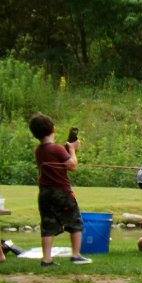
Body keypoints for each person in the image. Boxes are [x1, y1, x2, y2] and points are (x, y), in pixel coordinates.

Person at [29, 113, 92, 266]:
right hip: (61, 192)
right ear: (53, 129)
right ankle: (76, 255)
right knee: (76, 222)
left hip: (45, 193)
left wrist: (66, 148)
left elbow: (56, 158)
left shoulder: (39, 150)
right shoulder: (57, 149)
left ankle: (46, 259)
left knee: (48, 225)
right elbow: (72, 166)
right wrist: (72, 150)